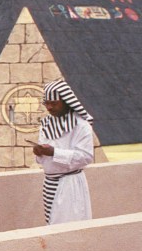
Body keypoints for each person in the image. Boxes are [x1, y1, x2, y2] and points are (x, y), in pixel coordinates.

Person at [32, 80, 95, 225]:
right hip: (49, 184)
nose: (49, 107)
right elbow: (44, 157)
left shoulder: (81, 126)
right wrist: (39, 152)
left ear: (66, 102)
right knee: (51, 225)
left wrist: (54, 152)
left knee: (70, 227)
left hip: (70, 183)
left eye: (54, 103)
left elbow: (86, 157)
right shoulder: (46, 124)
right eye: (46, 103)